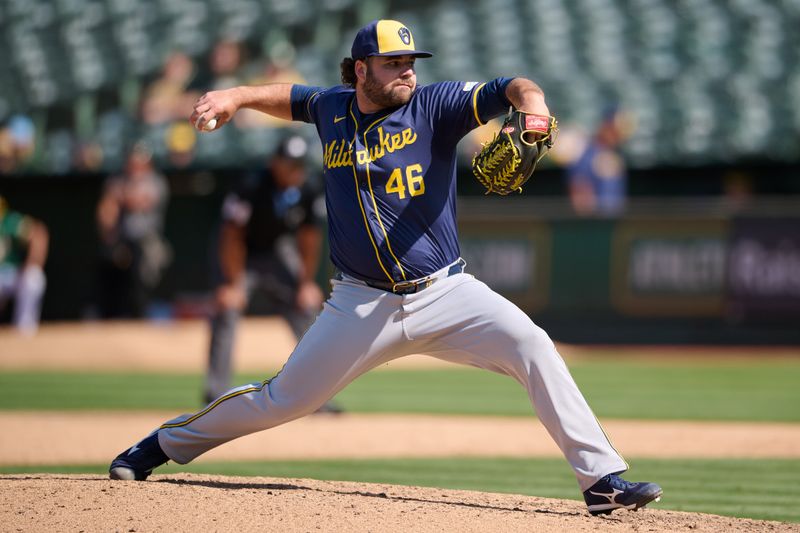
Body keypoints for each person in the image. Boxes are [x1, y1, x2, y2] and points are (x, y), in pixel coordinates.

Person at [109, 19, 662, 516]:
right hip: (360, 303)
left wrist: (534, 105)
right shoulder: (332, 108)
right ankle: (159, 446)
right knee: (283, 400)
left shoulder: (436, 107)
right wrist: (236, 96)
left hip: (447, 292)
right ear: (359, 71)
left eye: (410, 62)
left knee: (532, 344)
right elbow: (290, 97)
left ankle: (601, 481)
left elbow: (511, 86)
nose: (406, 73)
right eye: (393, 62)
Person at [204, 133, 341, 414]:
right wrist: (231, 283)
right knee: (226, 310)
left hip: (277, 251)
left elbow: (309, 238)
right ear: (275, 163)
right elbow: (231, 236)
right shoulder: (251, 185)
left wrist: (305, 283)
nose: (295, 171)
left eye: (300, 165)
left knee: (306, 312)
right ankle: (215, 395)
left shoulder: (309, 187)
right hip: (241, 252)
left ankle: (317, 397)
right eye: (290, 164)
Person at [94, 143, 171, 318]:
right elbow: (106, 210)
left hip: (148, 241)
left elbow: (139, 201)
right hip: (120, 239)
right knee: (109, 266)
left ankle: (143, 314)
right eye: (133, 159)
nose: (135, 164)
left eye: (140, 159)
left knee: (142, 263)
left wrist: (120, 196)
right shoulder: (117, 180)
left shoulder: (156, 181)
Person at [565, 105, 632, 216]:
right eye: (612, 129)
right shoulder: (585, 153)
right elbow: (579, 195)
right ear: (605, 125)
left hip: (614, 223)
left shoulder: (616, 155)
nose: (616, 135)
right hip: (592, 223)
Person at [0, 195, 48, 334]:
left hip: (12, 273)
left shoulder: (9, 222)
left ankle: (24, 329)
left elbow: (39, 233)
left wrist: (32, 262)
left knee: (34, 277)